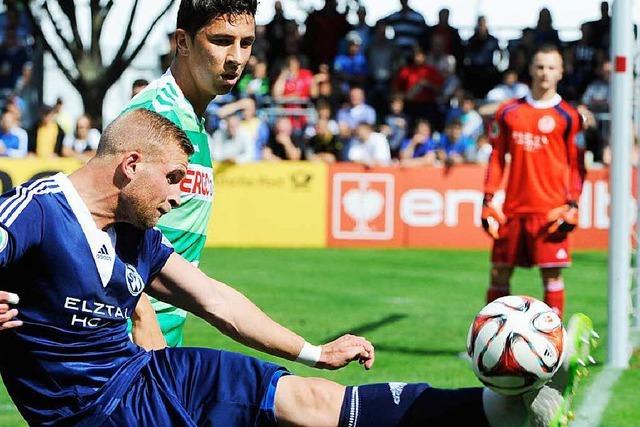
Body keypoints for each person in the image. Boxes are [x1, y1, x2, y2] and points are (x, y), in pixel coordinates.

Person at [0, 107, 575, 427]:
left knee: (311, 403)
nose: (178, 197)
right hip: (92, 417)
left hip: (150, 378)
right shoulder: (39, 211)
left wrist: (315, 351)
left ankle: (498, 413)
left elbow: (214, 299)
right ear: (129, 165)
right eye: (174, 178)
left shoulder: (132, 234)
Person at [121, 0, 260, 348]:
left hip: (164, 334)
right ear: (182, 42)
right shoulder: (155, 115)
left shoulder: (192, 118)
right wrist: (142, 317)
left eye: (246, 43)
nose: (237, 57)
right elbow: (102, 225)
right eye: (221, 40)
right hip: (126, 340)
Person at [481, 44, 586, 320]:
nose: (544, 73)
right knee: (499, 272)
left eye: (551, 68)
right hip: (512, 209)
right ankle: (491, 340)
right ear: (530, 69)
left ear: (561, 73)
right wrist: (489, 198)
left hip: (550, 209)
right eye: (540, 66)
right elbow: (496, 157)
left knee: (551, 274)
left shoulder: (569, 117)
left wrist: (573, 203)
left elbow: (577, 166)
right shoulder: (508, 112)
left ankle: (554, 344)